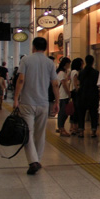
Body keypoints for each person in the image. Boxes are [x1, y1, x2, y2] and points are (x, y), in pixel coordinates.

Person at [13, 37, 60, 175]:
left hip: (27, 103)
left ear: (33, 47)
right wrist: (57, 101)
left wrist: (15, 98)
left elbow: (21, 80)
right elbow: (55, 83)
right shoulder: (50, 63)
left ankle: (33, 161)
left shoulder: (26, 60)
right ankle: (37, 160)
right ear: (45, 48)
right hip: (43, 103)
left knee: (28, 132)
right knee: (40, 134)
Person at [77, 55, 100, 138]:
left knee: (81, 114)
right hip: (93, 95)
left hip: (82, 95)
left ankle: (81, 131)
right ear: (93, 62)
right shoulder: (96, 73)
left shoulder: (81, 72)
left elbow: (79, 83)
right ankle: (93, 131)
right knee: (93, 114)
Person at [56, 57, 72, 137]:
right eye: (69, 64)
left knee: (62, 113)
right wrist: (69, 94)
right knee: (63, 113)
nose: (69, 65)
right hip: (63, 95)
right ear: (66, 64)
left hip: (62, 95)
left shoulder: (62, 72)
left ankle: (61, 128)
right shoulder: (61, 73)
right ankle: (61, 129)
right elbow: (64, 85)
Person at [69, 58, 83, 135]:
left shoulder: (72, 71)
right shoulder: (75, 72)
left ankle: (73, 127)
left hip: (72, 91)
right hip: (75, 92)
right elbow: (75, 82)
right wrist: (78, 89)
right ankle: (75, 127)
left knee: (74, 109)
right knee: (76, 110)